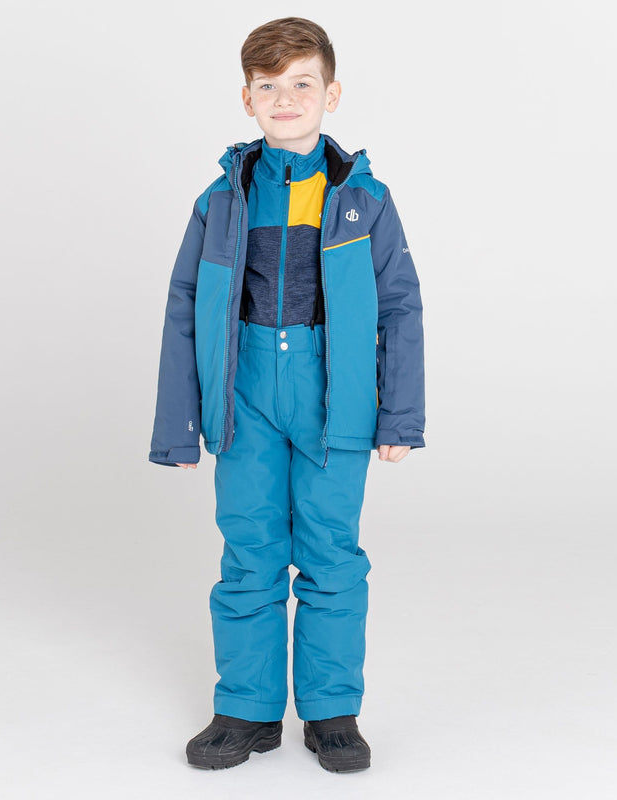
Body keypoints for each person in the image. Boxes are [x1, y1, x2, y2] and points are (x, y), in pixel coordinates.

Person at [147, 17, 425, 772]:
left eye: (302, 82)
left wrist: (400, 415)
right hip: (246, 397)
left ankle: (332, 712)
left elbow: (400, 306)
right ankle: (246, 708)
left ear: (331, 94)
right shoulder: (221, 200)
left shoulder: (365, 201)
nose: (286, 98)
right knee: (250, 550)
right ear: (247, 100)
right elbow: (184, 307)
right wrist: (178, 426)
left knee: (331, 552)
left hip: (335, 397)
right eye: (268, 86)